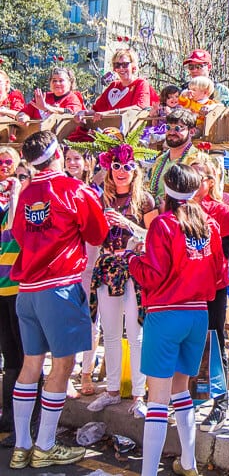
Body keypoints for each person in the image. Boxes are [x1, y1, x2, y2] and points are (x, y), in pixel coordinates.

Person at [9, 131, 109, 469]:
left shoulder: (25, 194)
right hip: (60, 287)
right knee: (63, 366)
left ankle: (23, 446)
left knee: (31, 364)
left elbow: (20, 234)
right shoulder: (75, 190)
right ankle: (45, 445)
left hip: (28, 290)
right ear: (58, 154)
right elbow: (97, 232)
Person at [128, 164, 223, 476]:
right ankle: (189, 463)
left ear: (166, 190)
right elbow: (219, 273)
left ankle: (149, 473)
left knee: (157, 399)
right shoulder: (208, 224)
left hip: (165, 313)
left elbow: (152, 275)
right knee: (181, 391)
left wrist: (132, 260)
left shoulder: (163, 224)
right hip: (197, 314)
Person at [85, 134, 158, 418]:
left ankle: (139, 394)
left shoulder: (145, 200)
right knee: (111, 334)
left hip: (134, 271)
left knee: (135, 335)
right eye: (116, 165)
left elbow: (154, 237)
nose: (121, 171)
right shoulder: (101, 198)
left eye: (127, 166)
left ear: (135, 170)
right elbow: (92, 235)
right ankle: (112, 390)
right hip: (107, 270)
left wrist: (127, 223)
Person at [191, 153, 229, 432]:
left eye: (199, 176)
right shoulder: (179, 207)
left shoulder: (221, 210)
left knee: (214, 342)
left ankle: (220, 402)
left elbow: (225, 253)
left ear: (210, 181)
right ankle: (196, 398)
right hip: (184, 288)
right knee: (192, 344)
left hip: (212, 286)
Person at [63, 145, 101, 397]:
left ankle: (86, 371)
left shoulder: (97, 191)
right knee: (65, 319)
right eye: (68, 158)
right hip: (68, 262)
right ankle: (64, 373)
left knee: (91, 320)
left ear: (88, 162)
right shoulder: (60, 187)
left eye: (77, 158)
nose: (72, 163)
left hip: (93, 260)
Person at [0, 151, 28, 434]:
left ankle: (28, 424)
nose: (14, 179)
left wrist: (17, 193)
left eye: (21, 176)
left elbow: (16, 229)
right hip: (2, 289)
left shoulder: (28, 206)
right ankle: (8, 419)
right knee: (10, 357)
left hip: (21, 289)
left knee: (27, 357)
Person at [75, 49, 151, 132]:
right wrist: (84, 113)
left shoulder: (141, 83)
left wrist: (110, 113)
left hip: (130, 131)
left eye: (125, 64)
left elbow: (140, 107)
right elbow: (97, 110)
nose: (121, 68)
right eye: (117, 65)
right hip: (108, 131)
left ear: (133, 66)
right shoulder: (113, 86)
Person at [15, 68, 85, 143]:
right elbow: (23, 112)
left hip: (62, 142)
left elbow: (71, 112)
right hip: (37, 141)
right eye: (54, 80)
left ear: (70, 82)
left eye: (61, 80)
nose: (57, 83)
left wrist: (47, 108)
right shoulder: (43, 97)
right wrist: (23, 117)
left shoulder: (73, 98)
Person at [147, 108, 200, 204]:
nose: (171, 132)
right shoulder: (160, 160)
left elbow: (198, 198)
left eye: (178, 128)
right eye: (168, 128)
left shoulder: (197, 161)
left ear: (192, 132)